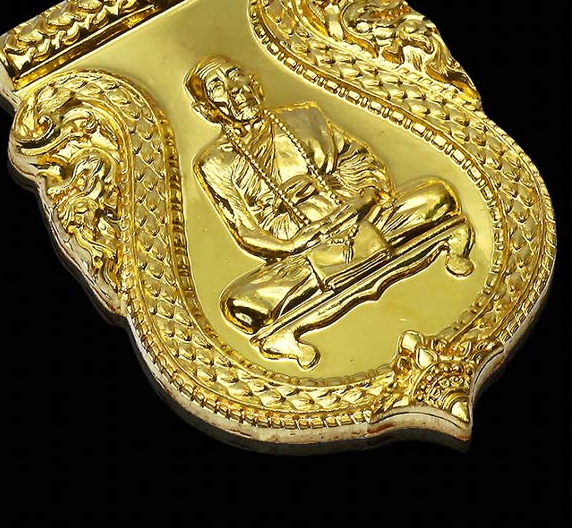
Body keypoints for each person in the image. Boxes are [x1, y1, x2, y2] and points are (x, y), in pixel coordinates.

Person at [186, 55, 474, 341]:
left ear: (253, 81)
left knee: (437, 196)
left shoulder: (304, 116)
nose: (234, 90)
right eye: (217, 87)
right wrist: (291, 245)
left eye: (235, 75)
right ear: (206, 109)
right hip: (300, 250)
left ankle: (350, 259)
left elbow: (358, 159)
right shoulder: (214, 162)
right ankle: (334, 263)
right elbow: (245, 229)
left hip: (355, 214)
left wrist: (363, 200)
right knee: (242, 304)